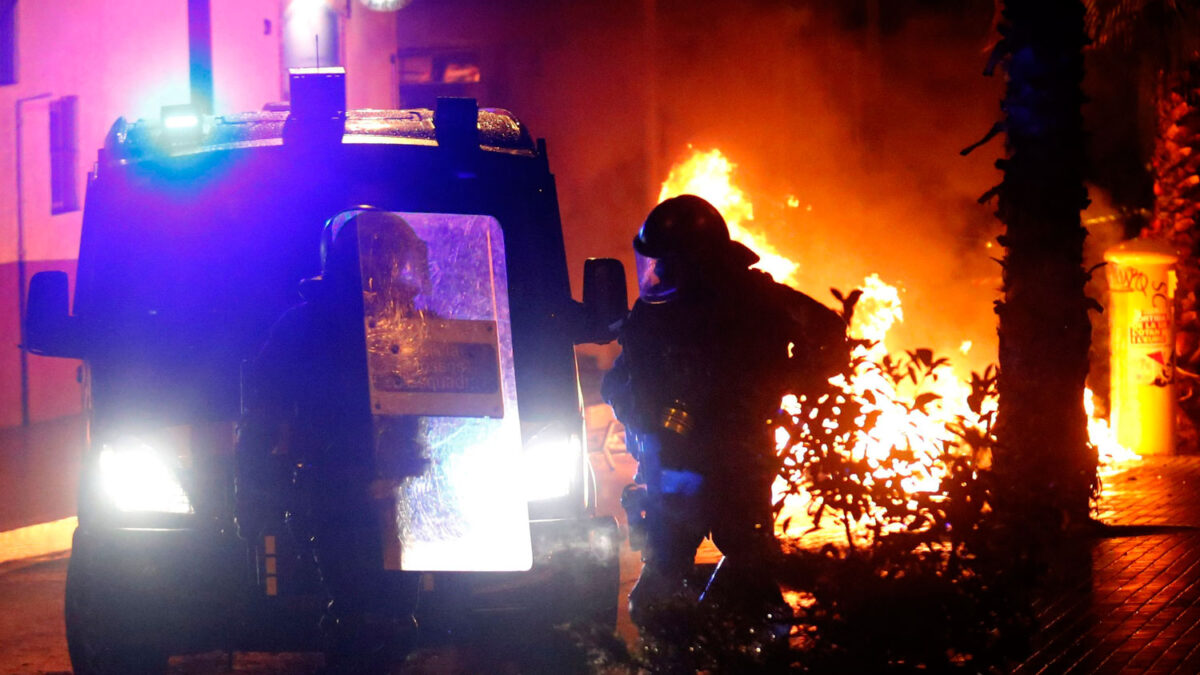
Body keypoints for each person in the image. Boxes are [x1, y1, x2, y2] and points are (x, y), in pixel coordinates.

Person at [602, 194, 848, 632]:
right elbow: (622, 378)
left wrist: (783, 378)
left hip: (737, 465)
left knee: (750, 583)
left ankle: (749, 647)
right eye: (656, 263)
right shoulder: (654, 312)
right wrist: (636, 410)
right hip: (671, 468)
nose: (658, 273)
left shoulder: (756, 299)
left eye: (669, 262)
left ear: (697, 262)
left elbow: (828, 334)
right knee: (658, 599)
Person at [236, 209, 427, 674]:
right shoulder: (304, 327)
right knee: (357, 610)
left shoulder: (413, 323)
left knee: (389, 610)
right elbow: (263, 410)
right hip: (336, 487)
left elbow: (457, 386)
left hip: (407, 488)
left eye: (395, 258)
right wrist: (256, 490)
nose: (389, 269)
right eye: (381, 257)